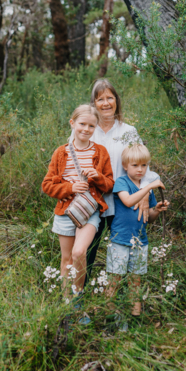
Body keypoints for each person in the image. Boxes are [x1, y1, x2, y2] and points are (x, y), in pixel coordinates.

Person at [85, 79, 160, 281]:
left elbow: (142, 164)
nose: (106, 103)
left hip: (125, 204)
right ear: (93, 103)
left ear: (117, 101)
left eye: (110, 97)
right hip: (94, 203)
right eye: (100, 99)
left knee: (128, 252)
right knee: (88, 251)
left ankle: (125, 304)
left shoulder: (128, 131)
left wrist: (144, 194)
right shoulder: (87, 129)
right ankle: (80, 300)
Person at [41, 104, 114, 310]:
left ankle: (78, 298)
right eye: (82, 124)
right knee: (66, 260)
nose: (86, 129)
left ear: (96, 128)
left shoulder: (100, 152)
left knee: (79, 252)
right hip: (65, 211)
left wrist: (97, 177)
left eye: (91, 126)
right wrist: (70, 187)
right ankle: (66, 304)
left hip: (89, 211)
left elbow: (109, 185)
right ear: (72, 123)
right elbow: (47, 185)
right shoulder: (60, 153)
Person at [106, 143, 169, 322]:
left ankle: (135, 316)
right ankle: (109, 314)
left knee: (136, 280)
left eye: (144, 165)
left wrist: (156, 209)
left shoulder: (146, 186)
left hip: (140, 240)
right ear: (125, 166)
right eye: (135, 165)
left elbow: (149, 216)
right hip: (120, 239)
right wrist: (149, 188)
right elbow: (127, 201)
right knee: (115, 278)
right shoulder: (122, 182)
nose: (140, 170)